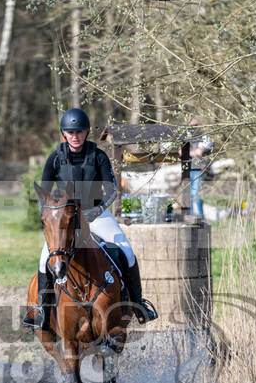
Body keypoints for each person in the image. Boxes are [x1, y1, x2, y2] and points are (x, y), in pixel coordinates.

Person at [25, 107, 157, 330]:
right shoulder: (55, 158)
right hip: (65, 219)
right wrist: (48, 216)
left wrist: (97, 211)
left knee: (126, 251)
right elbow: (43, 193)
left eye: (79, 132)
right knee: (44, 259)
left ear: (86, 133)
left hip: (95, 213)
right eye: (70, 132)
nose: (75, 136)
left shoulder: (98, 156)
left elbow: (111, 190)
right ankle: (41, 309)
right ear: (64, 134)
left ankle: (138, 302)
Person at [181, 118, 213, 219]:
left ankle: (200, 217)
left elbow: (199, 152)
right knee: (187, 194)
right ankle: (189, 217)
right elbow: (180, 152)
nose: (192, 129)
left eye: (194, 126)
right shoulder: (186, 138)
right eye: (190, 126)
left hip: (199, 169)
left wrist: (188, 152)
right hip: (187, 169)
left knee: (195, 194)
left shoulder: (205, 137)